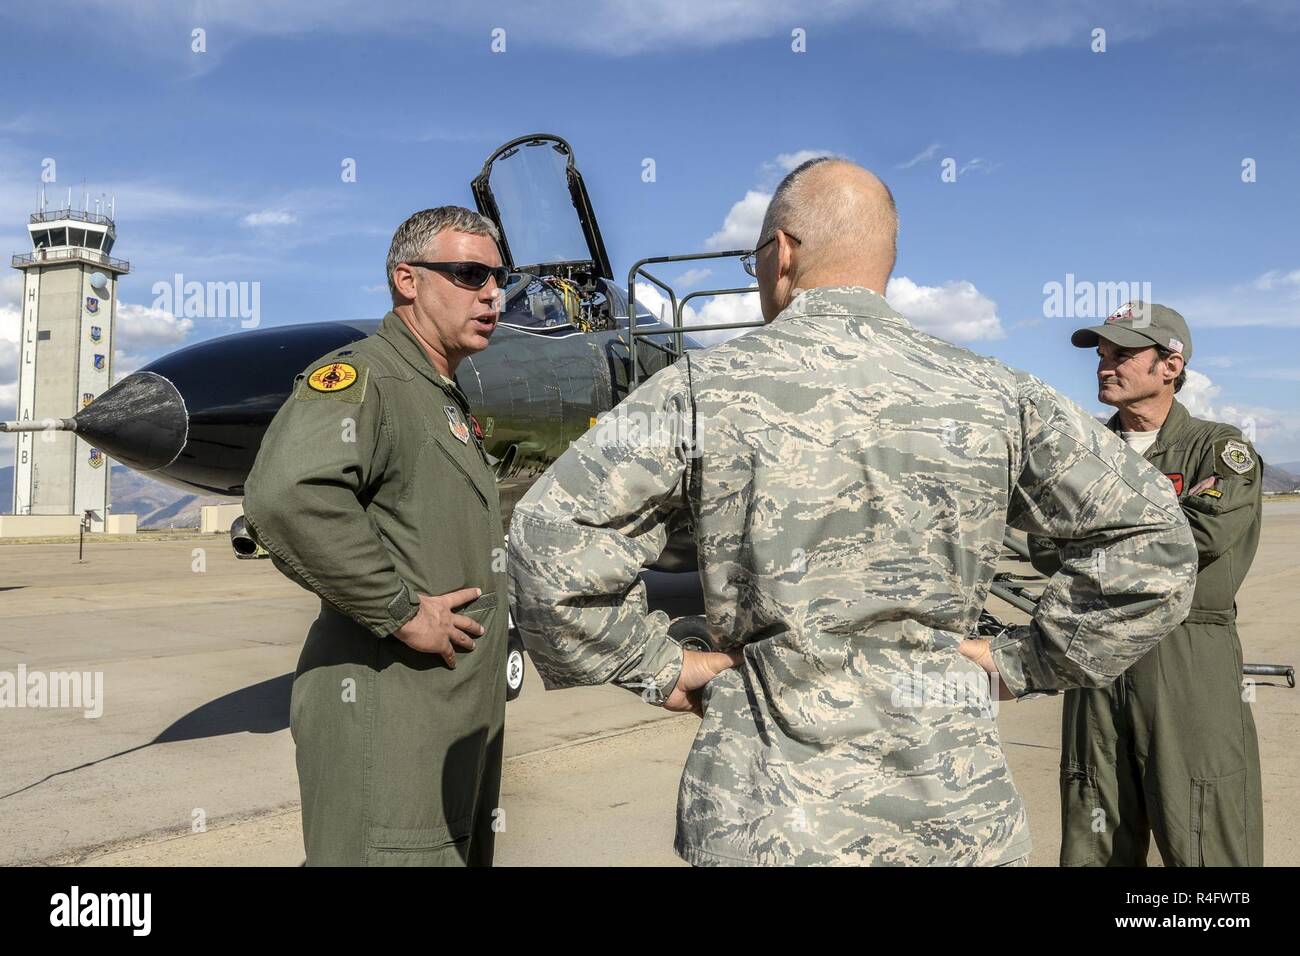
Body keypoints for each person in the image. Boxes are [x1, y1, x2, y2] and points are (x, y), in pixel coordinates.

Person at [506, 158, 1198, 865]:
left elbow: (545, 544)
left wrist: (659, 665)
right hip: (953, 822)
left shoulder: (701, 389)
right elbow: (1157, 544)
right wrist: (1025, 660)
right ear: (885, 262)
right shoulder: (998, 394)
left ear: (781, 253)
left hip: (766, 820)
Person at [243, 206, 509, 865]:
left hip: (442, 722)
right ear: (407, 279)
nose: (492, 294)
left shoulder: (439, 394)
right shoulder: (368, 379)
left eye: (500, 278)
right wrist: (399, 611)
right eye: (470, 274)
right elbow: (287, 495)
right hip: (389, 716)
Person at [1033, 301, 1263, 866]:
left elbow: (1196, 539)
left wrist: (1092, 540)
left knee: (1203, 816)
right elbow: (1042, 544)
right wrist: (1134, 538)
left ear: (1171, 364)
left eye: (1124, 354)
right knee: (1095, 812)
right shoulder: (1083, 452)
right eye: (1102, 354)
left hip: (1186, 651)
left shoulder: (1217, 447)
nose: (1105, 366)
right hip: (1095, 650)